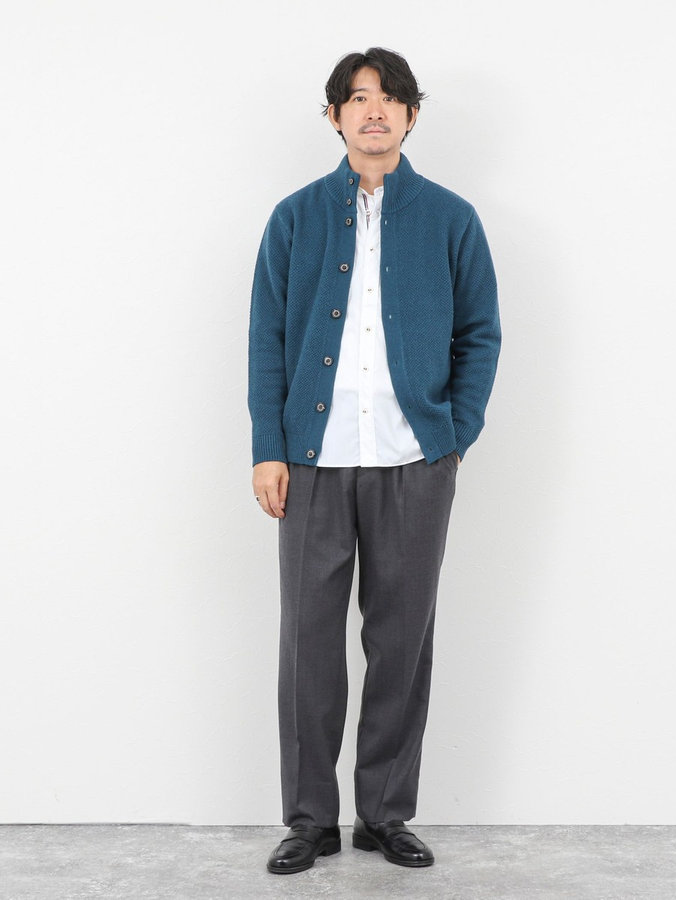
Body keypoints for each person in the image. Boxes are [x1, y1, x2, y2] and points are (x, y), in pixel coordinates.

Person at [247, 47, 501, 875]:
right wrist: (269, 449)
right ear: (335, 116)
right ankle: (309, 819)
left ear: (412, 115)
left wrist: (452, 435)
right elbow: (266, 341)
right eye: (358, 98)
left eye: (390, 97)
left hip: (414, 462)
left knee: (402, 642)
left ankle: (385, 814)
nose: (375, 110)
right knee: (308, 645)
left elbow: (481, 334)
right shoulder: (294, 218)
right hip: (312, 464)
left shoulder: (451, 218)